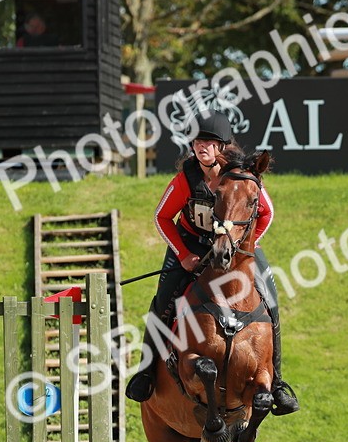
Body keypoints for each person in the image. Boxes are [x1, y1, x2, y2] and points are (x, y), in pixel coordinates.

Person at [124, 110, 299, 415]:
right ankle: (146, 371)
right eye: (196, 141)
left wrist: (246, 245)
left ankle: (278, 382)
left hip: (236, 246)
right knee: (163, 300)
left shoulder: (241, 173)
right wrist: (184, 255)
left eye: (208, 141)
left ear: (221, 146)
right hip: (190, 245)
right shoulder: (187, 178)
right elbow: (162, 217)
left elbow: (266, 213)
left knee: (270, 298)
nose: (200, 146)